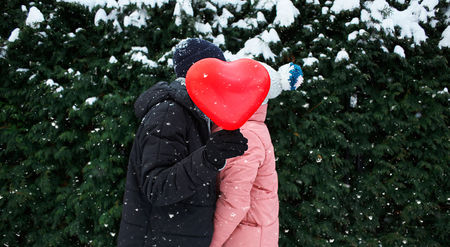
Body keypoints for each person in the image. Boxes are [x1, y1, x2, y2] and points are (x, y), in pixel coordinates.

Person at [117, 38, 248, 247]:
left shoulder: (195, 113)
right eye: (217, 71)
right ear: (200, 72)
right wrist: (208, 159)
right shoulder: (170, 113)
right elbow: (156, 187)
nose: (223, 80)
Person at [209, 62, 303, 247]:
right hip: (248, 235)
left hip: (241, 238)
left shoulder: (244, 135)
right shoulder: (247, 127)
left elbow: (234, 202)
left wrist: (208, 242)